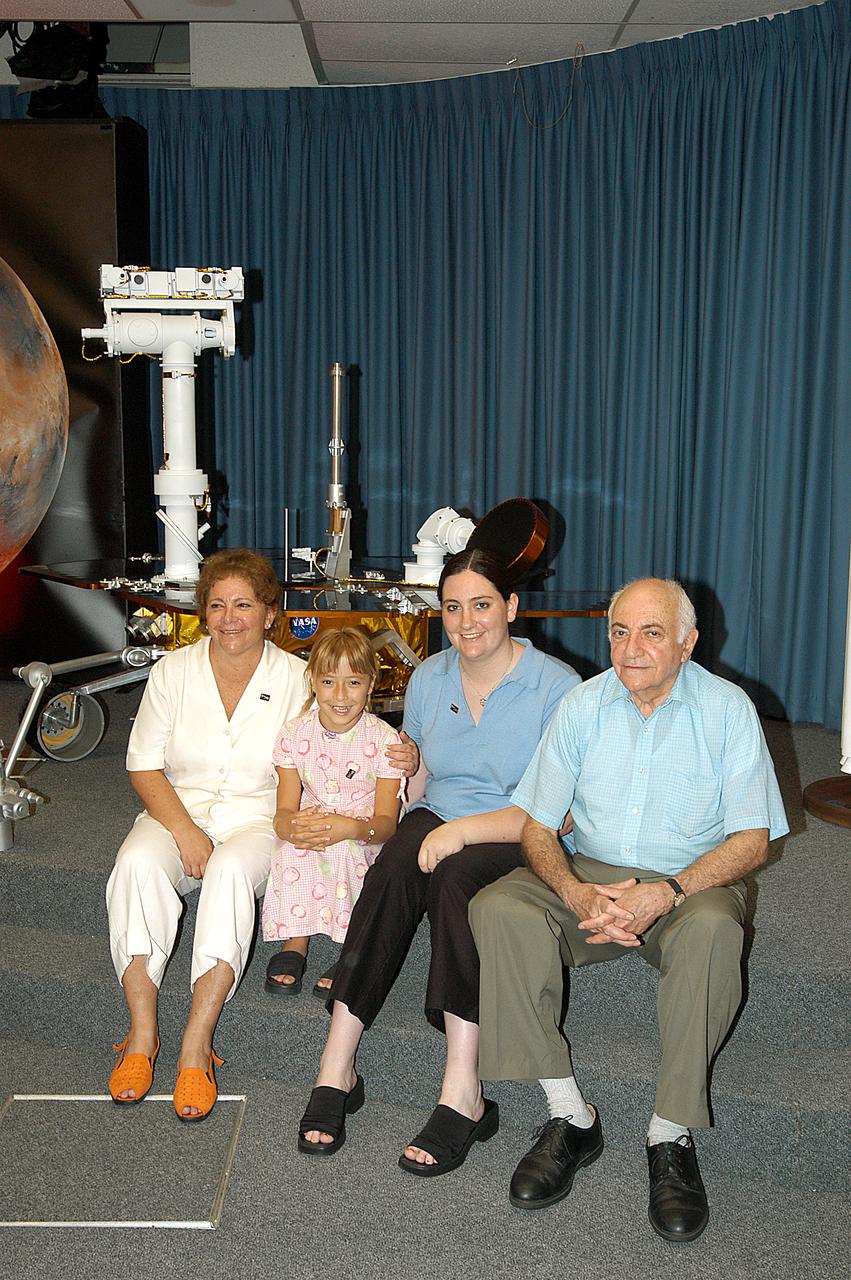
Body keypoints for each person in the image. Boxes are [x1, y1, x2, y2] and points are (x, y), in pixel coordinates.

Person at [470, 577, 788, 1242]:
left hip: (686, 882)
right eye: (619, 631)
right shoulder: (582, 706)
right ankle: (569, 1118)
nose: (631, 648)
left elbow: (751, 840)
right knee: (499, 908)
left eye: (651, 632)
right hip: (590, 873)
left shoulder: (727, 710)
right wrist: (574, 891)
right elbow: (536, 828)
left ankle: (668, 1134)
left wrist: (665, 893)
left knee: (712, 933)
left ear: (686, 643)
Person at [297, 547, 581, 1173]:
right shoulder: (430, 676)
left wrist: (463, 834)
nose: (466, 621)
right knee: (394, 866)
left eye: (481, 605)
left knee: (455, 882)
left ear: (510, 606)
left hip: (521, 827)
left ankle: (464, 1090)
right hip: (441, 814)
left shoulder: (557, 687)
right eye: (453, 608)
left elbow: (558, 814)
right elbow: (422, 784)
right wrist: (404, 769)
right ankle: (336, 1063)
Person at [105, 549, 416, 1121]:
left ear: (271, 613)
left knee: (227, 872)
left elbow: (346, 734)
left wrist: (404, 753)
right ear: (203, 612)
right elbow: (143, 765)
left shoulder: (297, 677)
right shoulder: (172, 671)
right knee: (136, 865)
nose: (230, 617)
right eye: (217, 604)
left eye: (244, 604)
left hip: (259, 817)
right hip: (178, 809)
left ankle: (197, 1046)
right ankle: (142, 1033)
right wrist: (184, 831)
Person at [262, 626, 405, 997]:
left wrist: (351, 828)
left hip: (365, 830)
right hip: (316, 819)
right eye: (328, 681)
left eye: (353, 682)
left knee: (345, 849)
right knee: (297, 845)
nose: (340, 696)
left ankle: (351, 946)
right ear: (312, 681)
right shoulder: (294, 733)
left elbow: (387, 824)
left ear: (372, 684)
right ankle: (296, 940)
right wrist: (291, 828)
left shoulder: (385, 741)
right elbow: (283, 811)